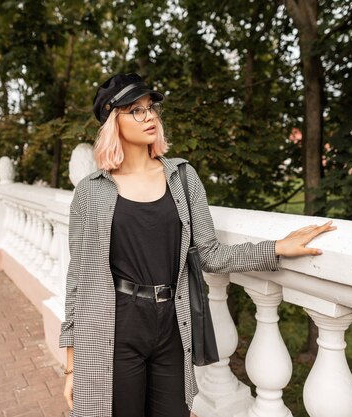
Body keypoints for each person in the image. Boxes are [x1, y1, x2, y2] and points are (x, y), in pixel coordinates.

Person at [60, 73, 336, 417]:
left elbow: (210, 253)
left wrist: (277, 247)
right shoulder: (91, 191)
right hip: (117, 323)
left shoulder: (182, 177)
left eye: (151, 108)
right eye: (136, 111)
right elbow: (79, 276)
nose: (149, 117)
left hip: (171, 323)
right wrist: (72, 364)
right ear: (113, 121)